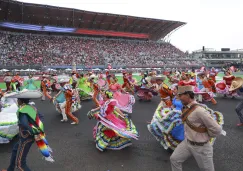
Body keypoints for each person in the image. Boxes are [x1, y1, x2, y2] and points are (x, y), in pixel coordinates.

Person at [170, 86, 223, 171]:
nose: (179, 98)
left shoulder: (200, 111)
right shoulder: (186, 107)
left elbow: (217, 129)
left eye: (180, 95)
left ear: (187, 95)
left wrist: (205, 137)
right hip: (187, 143)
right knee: (174, 159)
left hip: (201, 147)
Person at [2, 90, 54, 171]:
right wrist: (37, 128)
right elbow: (41, 117)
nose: (17, 101)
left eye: (17, 100)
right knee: (15, 149)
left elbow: (24, 123)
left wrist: (33, 131)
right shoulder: (32, 107)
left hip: (25, 138)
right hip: (29, 136)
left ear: (20, 101)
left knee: (20, 164)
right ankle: (10, 169)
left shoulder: (22, 110)